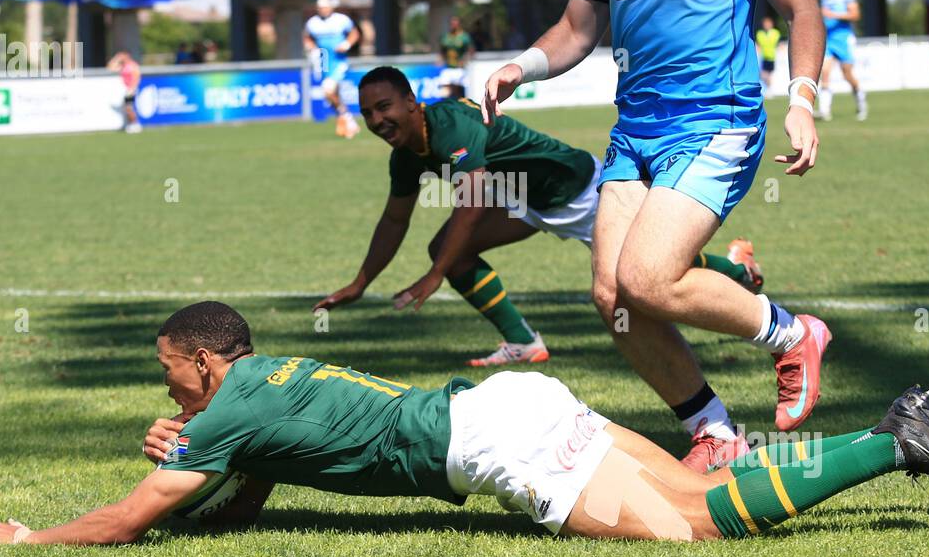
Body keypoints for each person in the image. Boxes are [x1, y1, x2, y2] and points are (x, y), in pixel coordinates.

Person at [0, 302, 929, 547]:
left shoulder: (221, 408)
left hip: (491, 442)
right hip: (511, 406)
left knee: (691, 530)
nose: (173, 392)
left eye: (171, 376)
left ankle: (888, 443)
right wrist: (198, 463)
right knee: (696, 489)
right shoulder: (263, 379)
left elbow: (125, 516)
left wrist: (33, 538)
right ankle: (900, 427)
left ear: (202, 359)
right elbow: (240, 497)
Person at [479, 0, 832, 472]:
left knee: (647, 278)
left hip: (716, 122)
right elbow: (576, 32)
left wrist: (800, 100)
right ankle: (714, 430)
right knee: (613, 294)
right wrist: (524, 65)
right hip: (635, 133)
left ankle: (793, 335)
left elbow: (803, 8)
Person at [315, 68, 763, 385]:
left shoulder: (449, 126)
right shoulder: (406, 156)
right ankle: (522, 343)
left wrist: (433, 278)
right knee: (450, 251)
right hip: (522, 201)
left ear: (413, 103)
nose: (376, 120)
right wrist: (359, 282)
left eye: (384, 107)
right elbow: (395, 219)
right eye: (368, 112)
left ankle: (740, 272)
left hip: (574, 189)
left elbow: (470, 202)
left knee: (645, 268)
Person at [303, 0, 361, 139]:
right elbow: (307, 37)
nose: (323, 10)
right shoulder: (313, 23)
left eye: (325, 7)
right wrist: (312, 48)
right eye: (320, 7)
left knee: (328, 91)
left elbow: (355, 33)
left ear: (331, 7)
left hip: (339, 61)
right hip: (324, 61)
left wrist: (346, 44)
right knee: (333, 94)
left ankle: (347, 118)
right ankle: (347, 122)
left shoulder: (341, 20)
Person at [817, 0, 866, 121]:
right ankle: (824, 110)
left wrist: (833, 15)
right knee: (824, 72)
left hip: (843, 39)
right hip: (829, 39)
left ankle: (860, 100)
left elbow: (855, 14)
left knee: (847, 74)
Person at [108, 51, 142, 133]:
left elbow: (136, 77)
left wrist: (132, 88)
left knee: (128, 108)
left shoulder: (133, 65)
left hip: (131, 89)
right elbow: (110, 67)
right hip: (126, 89)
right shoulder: (123, 66)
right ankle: (131, 124)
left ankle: (135, 124)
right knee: (127, 108)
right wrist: (116, 58)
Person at [754, 14, 781, 91]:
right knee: (764, 74)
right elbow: (758, 44)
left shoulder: (775, 33)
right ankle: (768, 89)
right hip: (763, 57)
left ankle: (769, 89)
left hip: (772, 57)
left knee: (769, 74)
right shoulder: (760, 34)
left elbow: (778, 44)